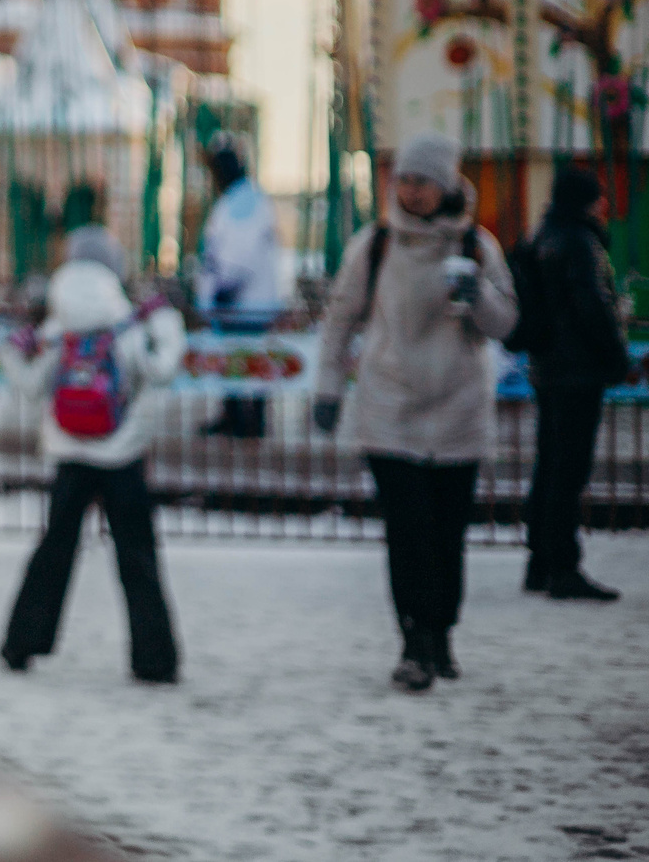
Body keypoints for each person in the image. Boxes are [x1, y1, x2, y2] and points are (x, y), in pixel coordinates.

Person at [314, 133, 518, 691]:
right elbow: (339, 319)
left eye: (423, 180)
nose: (411, 190)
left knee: (447, 533)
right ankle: (413, 643)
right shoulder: (375, 244)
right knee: (406, 533)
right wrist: (328, 389)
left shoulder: (478, 247)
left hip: (458, 408)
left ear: (447, 184)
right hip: (389, 407)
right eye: (404, 179)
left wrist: (476, 292)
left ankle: (441, 633)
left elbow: (506, 326)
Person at [0, 243, 187, 683]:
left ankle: (20, 643)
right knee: (137, 556)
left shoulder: (57, 331)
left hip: (69, 457)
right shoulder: (127, 327)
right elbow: (161, 370)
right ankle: (154, 658)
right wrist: (165, 320)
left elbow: (29, 384)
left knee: (54, 550)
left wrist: (12, 350)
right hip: (122, 457)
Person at [520, 166, 633, 602]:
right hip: (577, 370)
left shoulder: (540, 236)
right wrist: (616, 356)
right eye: (599, 196)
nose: (604, 204)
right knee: (569, 470)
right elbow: (593, 305)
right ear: (587, 200)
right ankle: (563, 567)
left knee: (549, 465)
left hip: (547, 367)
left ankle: (539, 562)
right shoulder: (578, 241)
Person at [194, 139, 281, 438]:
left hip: (242, 301)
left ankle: (248, 421)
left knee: (244, 356)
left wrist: (225, 286)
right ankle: (237, 416)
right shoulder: (247, 198)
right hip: (249, 299)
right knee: (238, 356)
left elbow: (240, 250)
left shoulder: (242, 202)